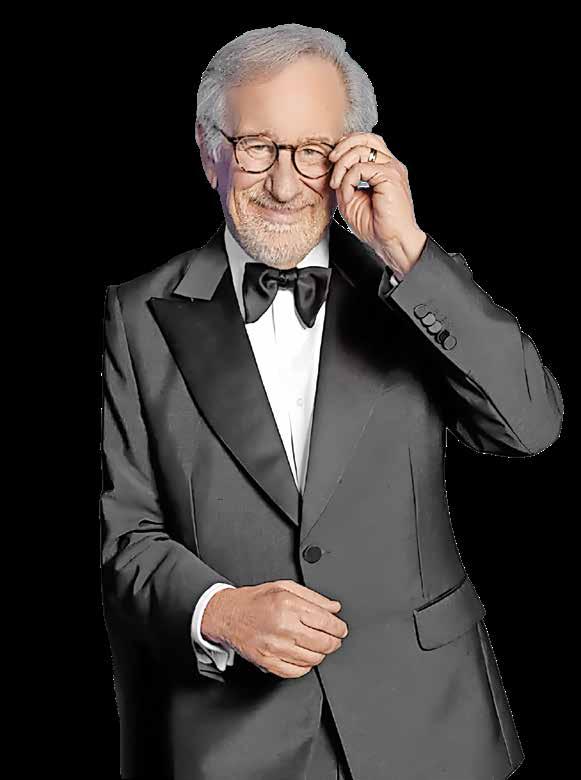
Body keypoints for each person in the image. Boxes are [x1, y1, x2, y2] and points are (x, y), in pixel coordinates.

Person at [100, 23, 563, 780]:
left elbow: (530, 427)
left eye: (313, 151)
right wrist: (218, 611)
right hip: (230, 743)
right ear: (209, 151)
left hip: (432, 728)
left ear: (354, 156)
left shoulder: (414, 287)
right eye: (258, 147)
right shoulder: (132, 317)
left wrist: (406, 247)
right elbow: (122, 533)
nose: (285, 186)